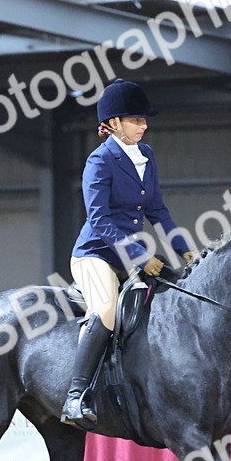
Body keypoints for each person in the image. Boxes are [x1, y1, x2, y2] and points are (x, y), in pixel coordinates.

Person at [61, 78, 194, 429]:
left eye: (144, 120)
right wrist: (138, 256)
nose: (144, 125)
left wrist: (186, 250)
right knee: (105, 309)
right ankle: (75, 397)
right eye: (136, 120)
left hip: (130, 255)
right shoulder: (99, 161)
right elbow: (99, 220)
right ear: (115, 123)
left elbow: (158, 211)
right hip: (96, 253)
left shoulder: (146, 155)